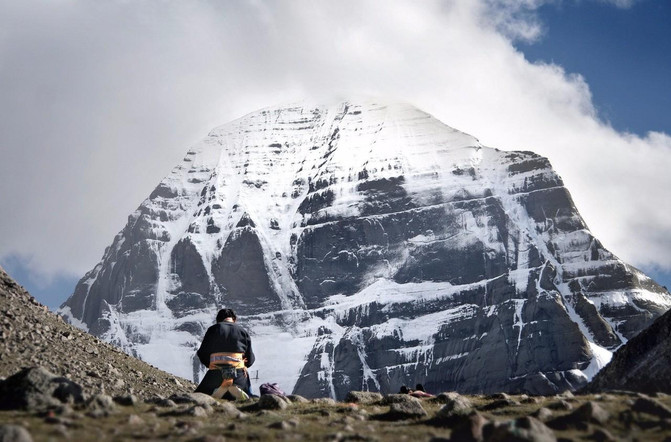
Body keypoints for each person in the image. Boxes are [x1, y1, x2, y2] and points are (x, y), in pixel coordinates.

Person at [195, 308, 255, 399]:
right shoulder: (242, 331)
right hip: (238, 375)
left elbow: (202, 353)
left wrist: (209, 364)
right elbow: (250, 359)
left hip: (216, 374)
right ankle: (242, 391)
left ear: (218, 320)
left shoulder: (213, 329)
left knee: (199, 395)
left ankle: (219, 389)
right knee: (248, 392)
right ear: (234, 319)